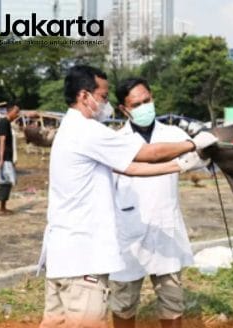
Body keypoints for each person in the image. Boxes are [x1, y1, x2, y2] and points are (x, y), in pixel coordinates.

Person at [37, 65, 217, 328]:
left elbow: (130, 167)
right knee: (113, 309)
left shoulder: (71, 130)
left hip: (67, 256)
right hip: (84, 258)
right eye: (103, 96)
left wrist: (180, 165)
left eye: (148, 100)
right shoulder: (89, 132)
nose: (105, 103)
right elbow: (149, 155)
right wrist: (193, 143)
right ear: (85, 96)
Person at [109, 78, 204, 328]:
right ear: (123, 109)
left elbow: (202, 159)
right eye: (136, 104)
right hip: (128, 235)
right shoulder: (116, 141)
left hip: (165, 230)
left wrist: (205, 142)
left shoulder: (174, 135)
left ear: (152, 97)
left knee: (172, 301)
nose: (144, 107)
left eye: (147, 101)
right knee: (123, 302)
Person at [0, 101, 20, 215]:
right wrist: (1, 159)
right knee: (5, 182)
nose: (17, 114)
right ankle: (1, 208)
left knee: (6, 182)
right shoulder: (3, 122)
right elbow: (2, 140)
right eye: (16, 112)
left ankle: (3, 207)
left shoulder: (6, 123)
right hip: (4, 157)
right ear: (9, 111)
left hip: (7, 157)